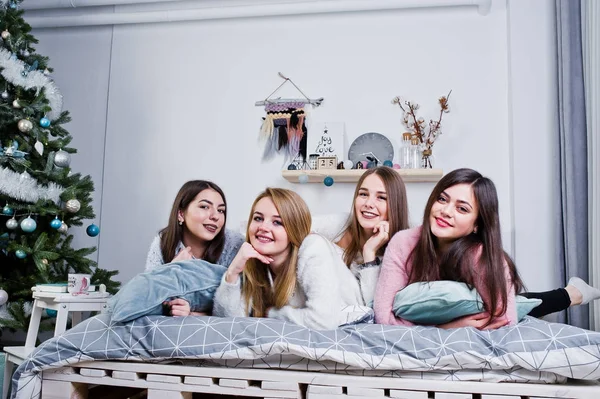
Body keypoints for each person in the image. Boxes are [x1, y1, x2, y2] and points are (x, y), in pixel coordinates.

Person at [373, 168, 600, 329]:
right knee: (520, 301)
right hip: (457, 312)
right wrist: (448, 328)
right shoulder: (403, 242)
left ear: (477, 224)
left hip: (485, 293)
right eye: (442, 199)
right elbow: (383, 318)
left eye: (462, 209)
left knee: (523, 305)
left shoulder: (482, 256)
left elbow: (505, 319)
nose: (446, 211)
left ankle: (573, 293)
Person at [211, 187, 367, 330]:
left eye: (277, 222)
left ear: (294, 228)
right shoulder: (254, 261)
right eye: (258, 218)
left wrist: (271, 315)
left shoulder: (314, 247)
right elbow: (230, 325)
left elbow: (323, 321)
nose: (263, 228)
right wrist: (232, 272)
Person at [145, 180, 244, 316]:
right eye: (204, 207)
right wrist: (171, 270)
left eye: (221, 210)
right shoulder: (163, 242)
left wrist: (193, 314)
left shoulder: (235, 245)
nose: (215, 216)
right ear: (181, 214)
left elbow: (241, 313)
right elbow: (146, 300)